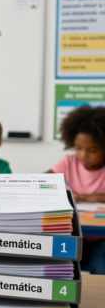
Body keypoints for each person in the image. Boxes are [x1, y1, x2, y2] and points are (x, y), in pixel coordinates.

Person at [48, 106, 105, 275]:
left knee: (100, 266)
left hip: (101, 239)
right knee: (56, 265)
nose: (83, 155)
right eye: (78, 148)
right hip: (71, 234)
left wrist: (91, 197)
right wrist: (62, 193)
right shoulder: (68, 162)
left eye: (92, 150)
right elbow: (42, 183)